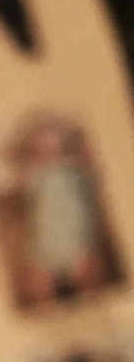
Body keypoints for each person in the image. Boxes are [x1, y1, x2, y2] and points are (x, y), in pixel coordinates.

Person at [10, 114, 117, 304]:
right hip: (46, 240)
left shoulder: (74, 169)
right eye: (42, 146)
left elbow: (94, 179)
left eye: (54, 145)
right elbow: (20, 180)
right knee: (41, 279)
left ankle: (97, 303)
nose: (50, 152)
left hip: (76, 236)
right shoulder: (35, 174)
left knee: (87, 271)